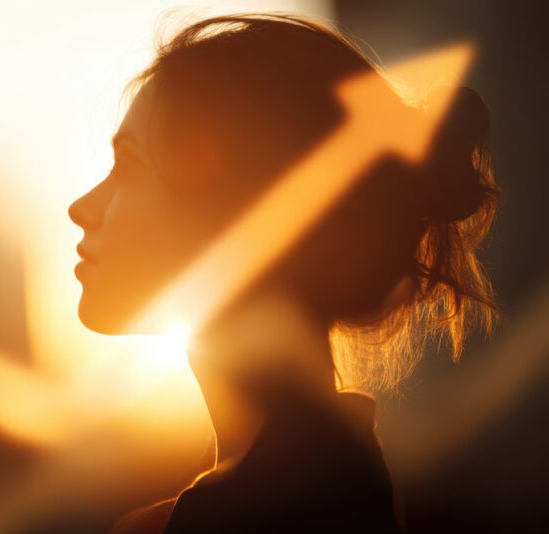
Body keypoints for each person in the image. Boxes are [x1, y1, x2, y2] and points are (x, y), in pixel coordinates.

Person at [68, 13, 498, 533]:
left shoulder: (283, 507)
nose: (82, 207)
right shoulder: (324, 481)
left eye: (129, 168)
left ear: (237, 210)